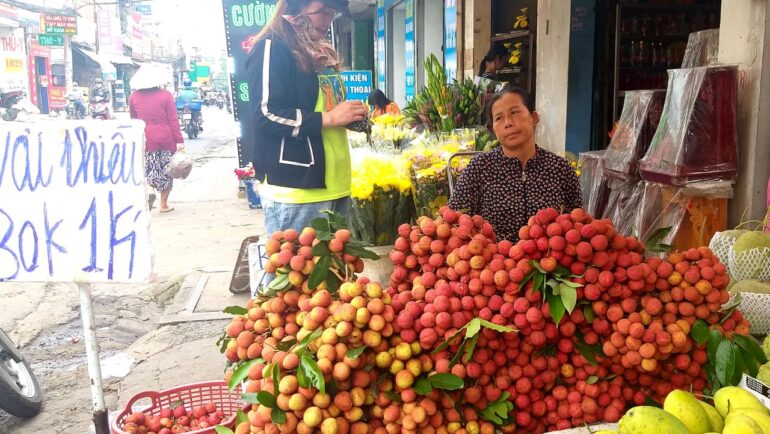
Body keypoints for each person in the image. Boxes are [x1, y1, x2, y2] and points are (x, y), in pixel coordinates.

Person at [245, 0, 367, 236]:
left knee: (338, 272)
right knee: (298, 272)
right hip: (298, 187)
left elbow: (323, 105)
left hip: (335, 181)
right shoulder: (271, 46)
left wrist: (351, 116)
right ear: (297, 9)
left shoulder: (319, 51)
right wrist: (329, 119)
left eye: (333, 12)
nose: (328, 19)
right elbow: (265, 114)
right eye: (323, 11)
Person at [448, 86, 583, 242]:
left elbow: (577, 223)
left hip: (549, 262)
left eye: (514, 113)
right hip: (493, 262)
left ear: (534, 118)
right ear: (494, 129)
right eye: (499, 118)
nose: (508, 123)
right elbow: (453, 219)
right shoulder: (479, 167)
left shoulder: (560, 168)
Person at [129, 66, 185, 214]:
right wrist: (179, 141)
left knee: (150, 169)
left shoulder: (133, 97)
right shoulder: (166, 95)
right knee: (167, 171)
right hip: (166, 138)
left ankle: (149, 189)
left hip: (146, 139)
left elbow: (134, 121)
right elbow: (173, 120)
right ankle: (163, 204)